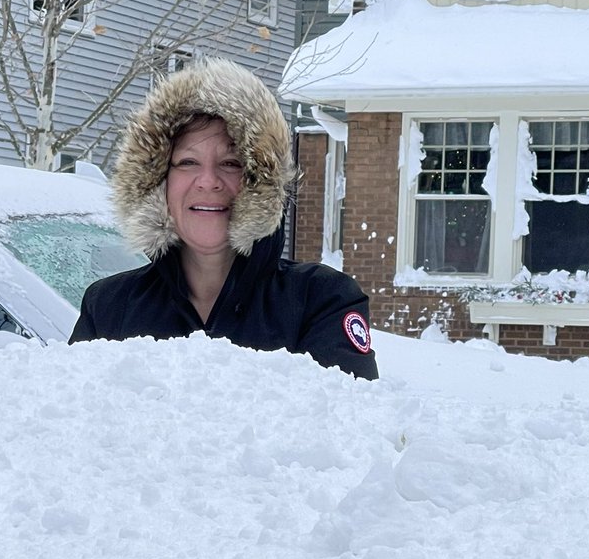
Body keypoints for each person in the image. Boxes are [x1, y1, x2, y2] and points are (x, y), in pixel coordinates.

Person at [69, 58, 378, 380]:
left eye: (231, 163)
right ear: (156, 181)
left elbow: (347, 420)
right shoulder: (108, 307)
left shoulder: (320, 299)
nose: (208, 181)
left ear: (261, 181)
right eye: (187, 162)